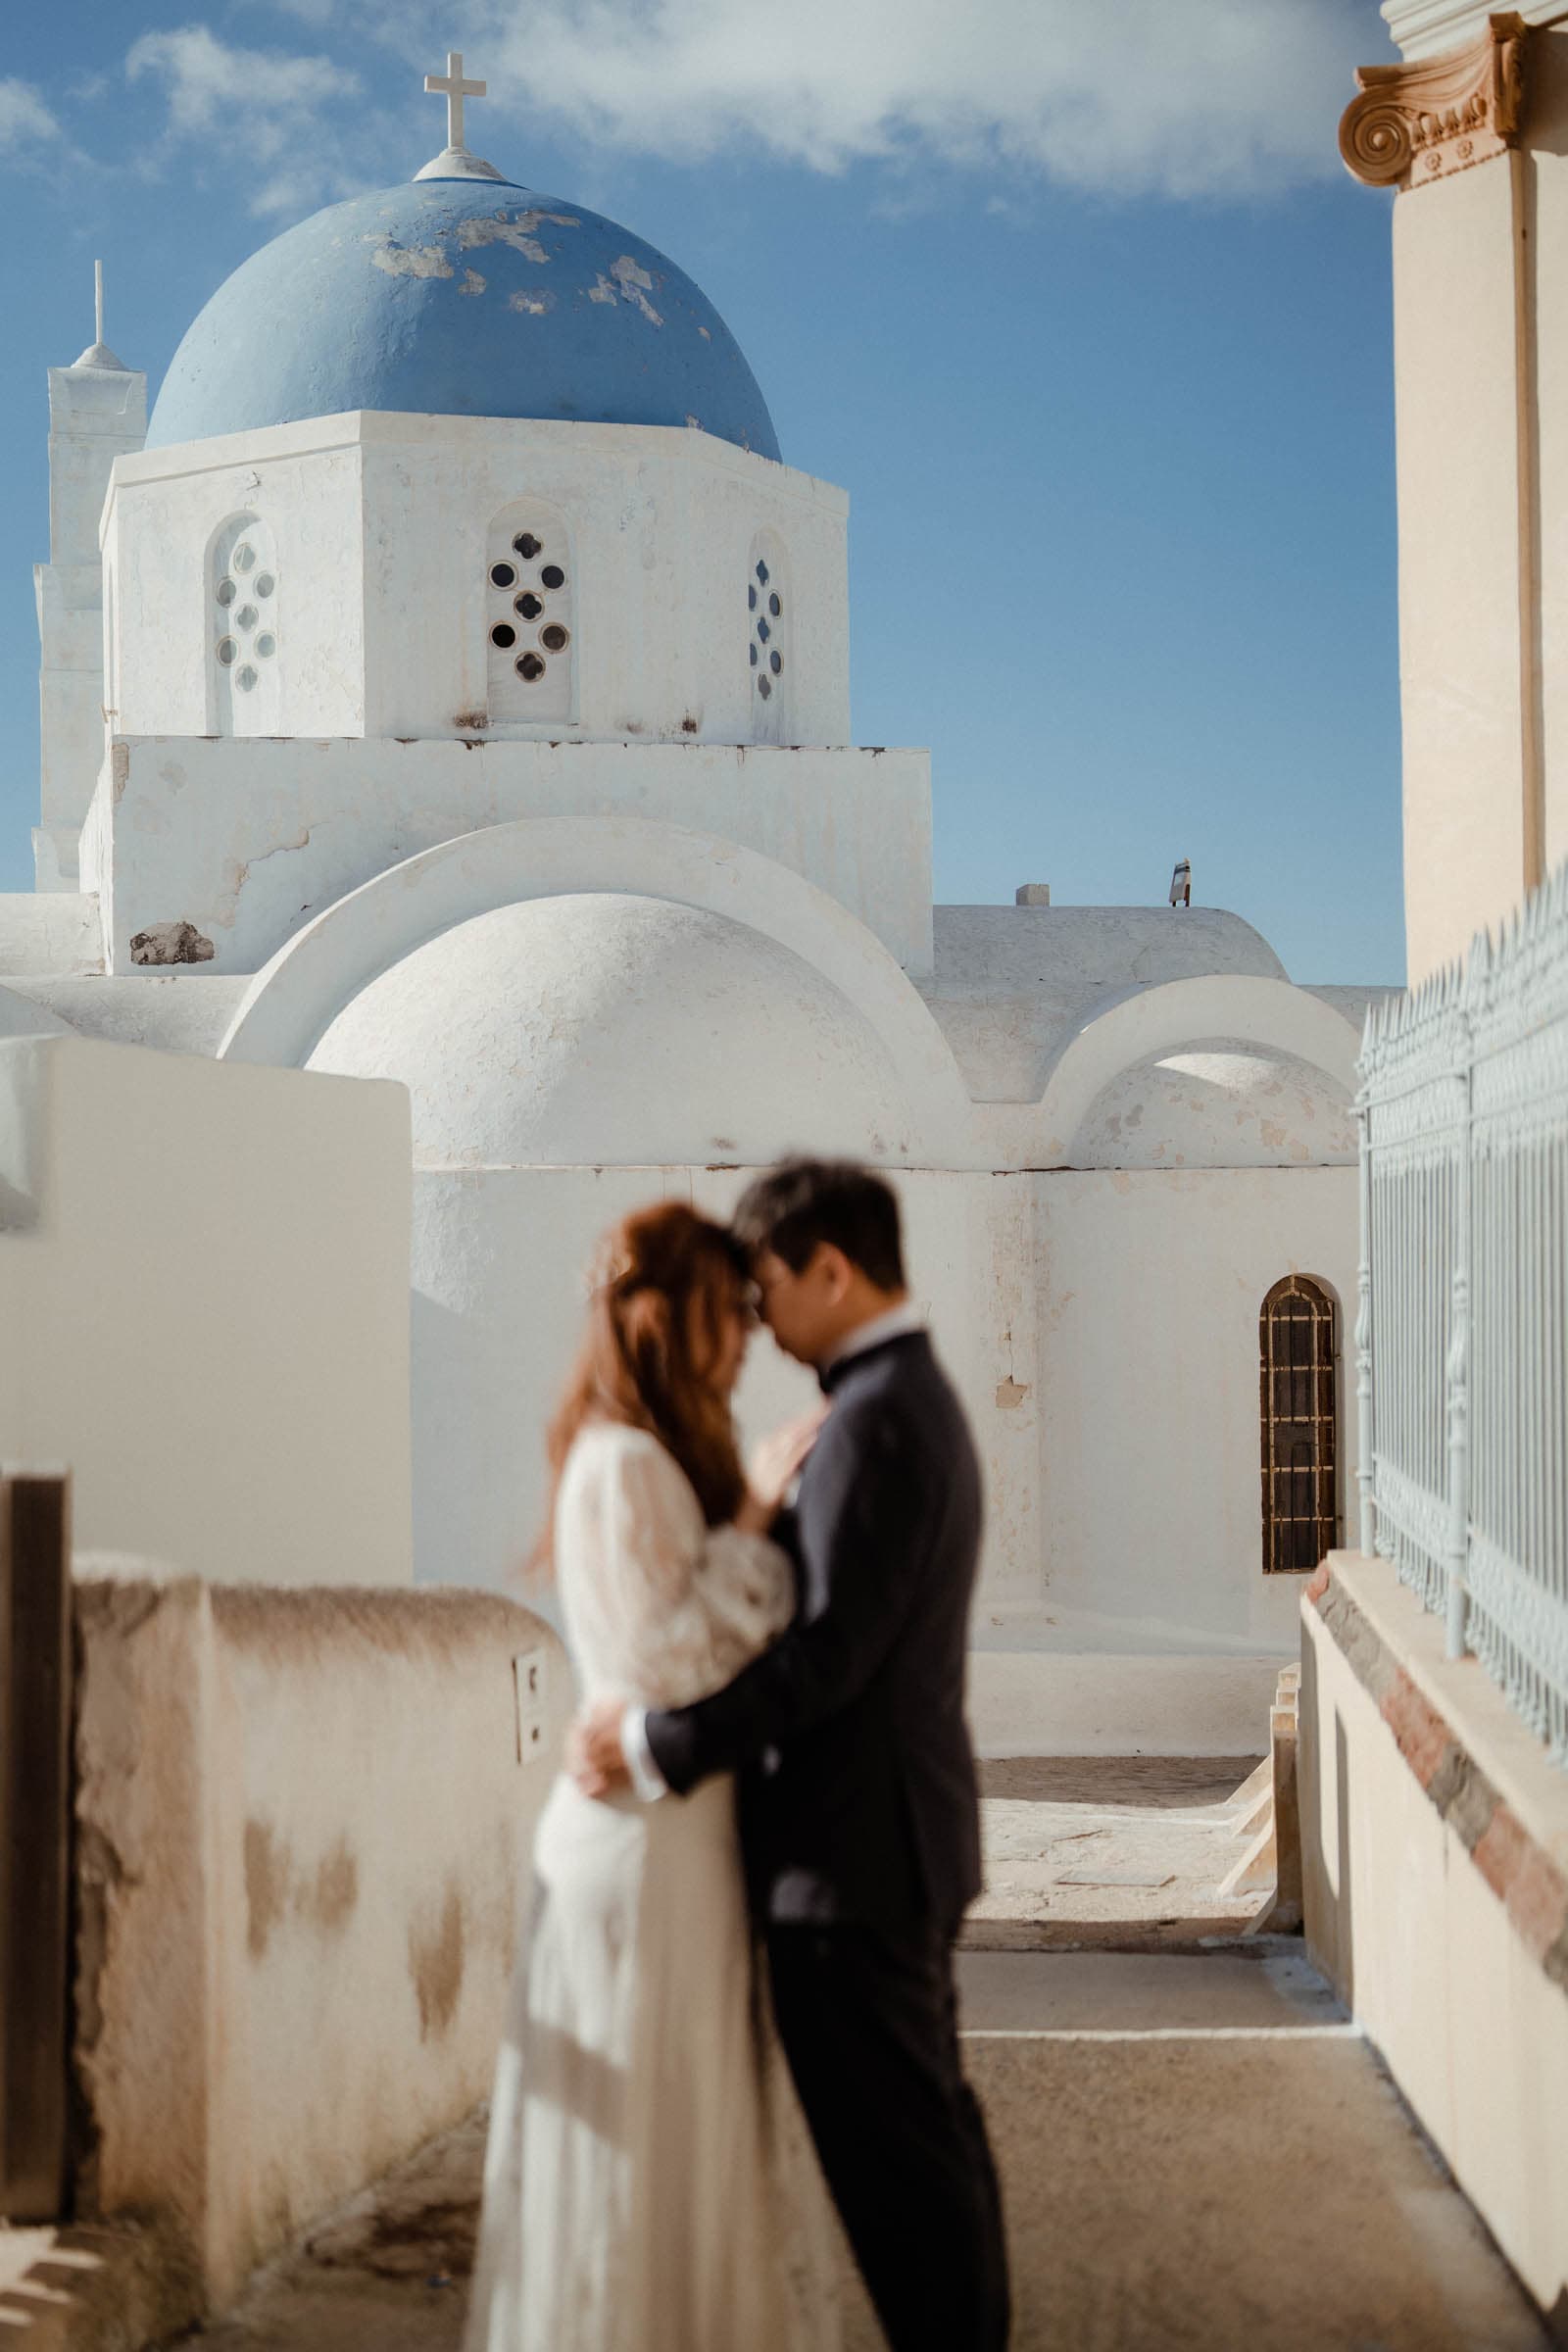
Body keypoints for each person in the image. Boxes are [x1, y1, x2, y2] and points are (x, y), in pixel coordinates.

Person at [570, 1158, 1010, 2352]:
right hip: (873, 1850)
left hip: (852, 1863)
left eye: (768, 1289)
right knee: (929, 2155)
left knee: (904, 2183)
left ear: (833, 1268)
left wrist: (658, 1743)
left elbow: (827, 1660)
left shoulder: (875, 1421)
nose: (757, 1321)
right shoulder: (891, 1402)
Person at [464, 1200, 840, 2352]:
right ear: (657, 1319)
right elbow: (676, 1656)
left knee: (686, 2125)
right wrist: (759, 1514)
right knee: (642, 2135)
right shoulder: (620, 1464)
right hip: (641, 1844)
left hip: (679, 1832)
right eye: (724, 1312)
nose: (743, 1337)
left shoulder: (647, 1459)